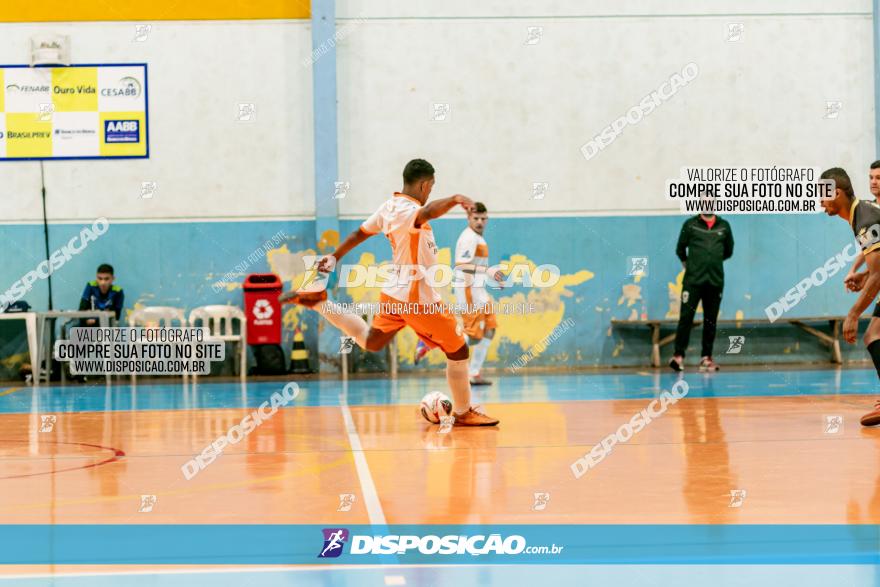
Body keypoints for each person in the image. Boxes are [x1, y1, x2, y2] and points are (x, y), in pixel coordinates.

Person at [279, 159, 499, 426]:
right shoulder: (410, 211)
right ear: (425, 184)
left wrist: (335, 257)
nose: (430, 192)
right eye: (431, 187)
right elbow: (428, 211)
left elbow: (360, 233)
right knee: (459, 352)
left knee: (371, 340)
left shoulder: (389, 207)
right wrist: (454, 199)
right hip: (419, 301)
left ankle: (320, 303)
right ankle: (464, 412)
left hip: (394, 295)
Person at [821, 167, 880, 426]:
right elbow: (877, 271)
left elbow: (878, 276)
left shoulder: (865, 219)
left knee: (873, 335)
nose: (820, 202)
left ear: (837, 193)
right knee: (874, 335)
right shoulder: (861, 215)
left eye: (823, 195)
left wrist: (853, 314)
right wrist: (865, 275)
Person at [669, 213, 734, 372]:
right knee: (686, 318)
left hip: (715, 282)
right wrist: (691, 265)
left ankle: (706, 358)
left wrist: (711, 262)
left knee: (710, 320)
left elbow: (728, 251)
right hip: (693, 282)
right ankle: (678, 356)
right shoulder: (690, 224)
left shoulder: (724, 226)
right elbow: (680, 249)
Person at [453, 201, 503, 385]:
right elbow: (461, 265)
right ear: (469, 218)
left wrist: (491, 276)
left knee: (490, 330)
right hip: (468, 290)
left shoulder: (479, 238)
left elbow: (478, 266)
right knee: (473, 336)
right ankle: (433, 345)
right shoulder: (469, 238)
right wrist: (488, 272)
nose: (480, 222)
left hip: (480, 290)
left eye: (483, 218)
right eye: (476, 218)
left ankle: (474, 373)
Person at [842, 162, 880, 284]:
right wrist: (852, 271)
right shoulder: (869, 211)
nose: (873, 182)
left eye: (879, 178)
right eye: (871, 177)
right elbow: (868, 244)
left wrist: (865, 275)